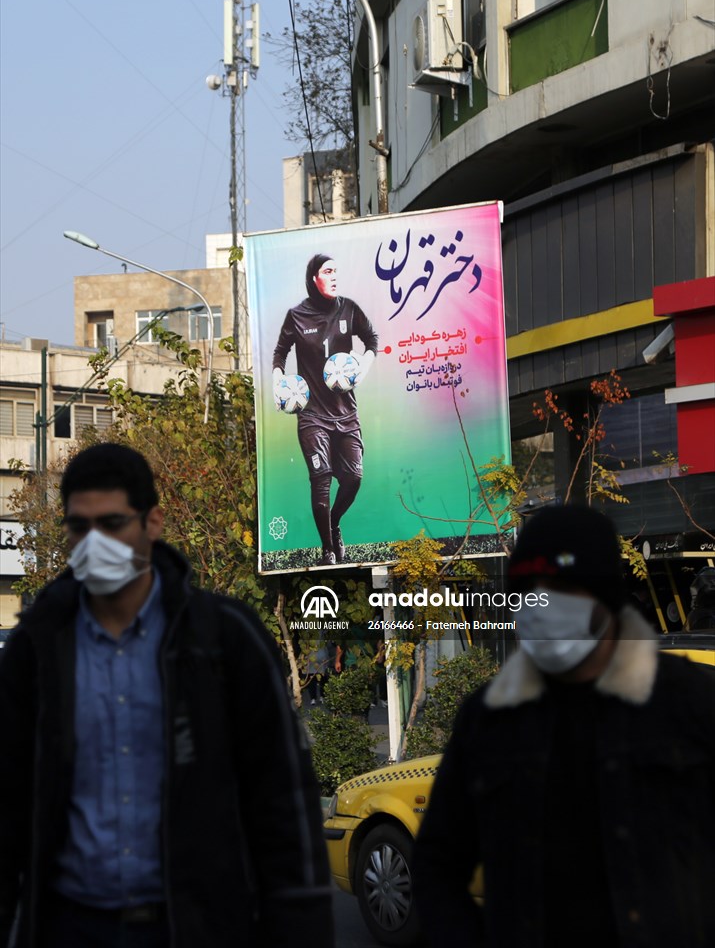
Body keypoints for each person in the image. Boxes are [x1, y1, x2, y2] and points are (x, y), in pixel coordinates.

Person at [0, 444, 333, 948]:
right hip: (70, 927)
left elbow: (282, 800)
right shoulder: (36, 648)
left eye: (112, 524)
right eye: (79, 527)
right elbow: (7, 804)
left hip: (195, 928)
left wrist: (298, 925)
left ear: (152, 522)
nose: (94, 544)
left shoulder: (224, 638)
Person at [412, 504, 715, 948]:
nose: (541, 607)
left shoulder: (688, 701)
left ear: (605, 597)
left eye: (561, 590)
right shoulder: (490, 717)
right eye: (527, 593)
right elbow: (437, 863)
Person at [272, 253, 378, 566]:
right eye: (327, 271)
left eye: (336, 271)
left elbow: (371, 339)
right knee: (321, 477)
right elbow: (280, 353)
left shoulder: (349, 309)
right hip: (312, 415)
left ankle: (334, 522)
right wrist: (279, 382)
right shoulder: (296, 316)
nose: (334, 276)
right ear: (314, 278)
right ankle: (328, 549)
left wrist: (363, 365)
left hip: (346, 413)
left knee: (354, 478)